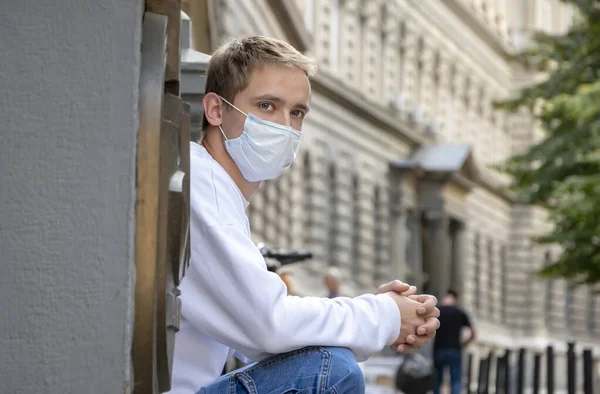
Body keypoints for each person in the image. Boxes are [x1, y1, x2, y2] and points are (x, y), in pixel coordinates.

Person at [168, 35, 441, 394]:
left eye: (297, 112)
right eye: (267, 106)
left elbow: (259, 340)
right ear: (216, 110)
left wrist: (386, 313)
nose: (285, 125)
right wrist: (386, 315)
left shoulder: (217, 189)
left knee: (326, 355)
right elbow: (268, 324)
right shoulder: (204, 187)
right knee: (331, 370)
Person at [433, 290, 476, 394]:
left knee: (437, 381)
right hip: (455, 349)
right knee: (456, 380)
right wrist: (464, 343)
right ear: (455, 299)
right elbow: (473, 332)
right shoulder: (460, 312)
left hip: (439, 349)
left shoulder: (437, 311)